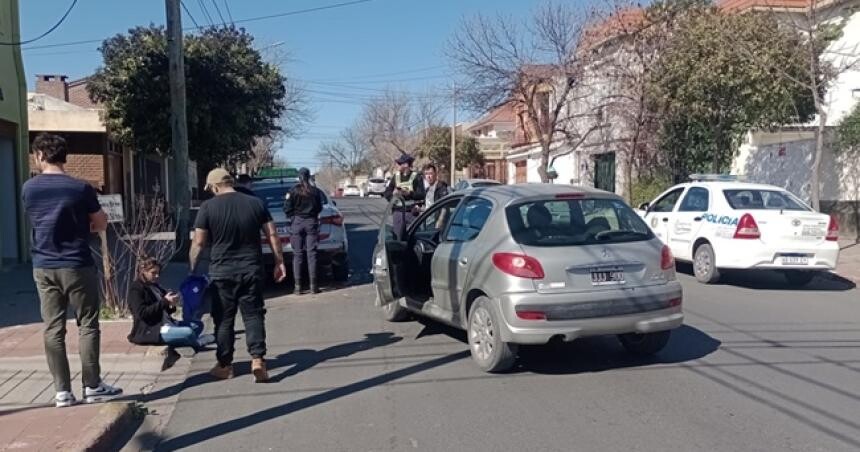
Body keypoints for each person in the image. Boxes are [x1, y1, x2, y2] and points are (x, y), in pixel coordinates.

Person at [22, 133, 123, 408]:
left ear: (40, 155)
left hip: (44, 265)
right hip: (77, 263)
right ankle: (92, 385)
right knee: (87, 325)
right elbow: (101, 223)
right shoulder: (80, 188)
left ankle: (62, 392)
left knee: (53, 329)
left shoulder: (29, 188)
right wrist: (85, 226)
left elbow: (38, 220)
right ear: (64, 156)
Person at [190, 168, 286, 382]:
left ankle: (225, 365)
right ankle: (258, 359)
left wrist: (192, 269)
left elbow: (198, 242)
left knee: (224, 320)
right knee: (253, 315)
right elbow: (272, 234)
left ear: (215, 186)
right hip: (251, 268)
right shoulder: (255, 203)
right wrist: (279, 261)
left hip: (222, 272)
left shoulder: (207, 207)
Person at [127, 257, 213, 349]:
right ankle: (199, 342)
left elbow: (166, 310)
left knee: (198, 325)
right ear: (143, 272)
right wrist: (165, 301)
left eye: (158, 273)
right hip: (153, 329)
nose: (157, 276)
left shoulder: (155, 286)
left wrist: (172, 303)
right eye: (153, 273)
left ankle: (185, 340)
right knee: (188, 332)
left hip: (168, 323)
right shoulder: (136, 289)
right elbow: (142, 313)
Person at [284, 168, 325, 295]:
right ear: (309, 177)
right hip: (311, 222)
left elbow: (286, 207)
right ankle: (313, 286)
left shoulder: (293, 191)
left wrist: (293, 217)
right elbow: (319, 207)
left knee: (297, 254)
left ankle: (298, 286)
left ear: (299, 177)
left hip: (297, 222)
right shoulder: (315, 191)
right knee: (311, 254)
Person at [383, 154, 425, 239]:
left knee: (413, 238)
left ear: (406, 164)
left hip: (412, 213)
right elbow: (387, 193)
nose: (398, 165)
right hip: (398, 212)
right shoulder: (396, 176)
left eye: (400, 163)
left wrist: (409, 193)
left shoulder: (416, 177)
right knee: (398, 239)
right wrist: (393, 196)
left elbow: (422, 194)